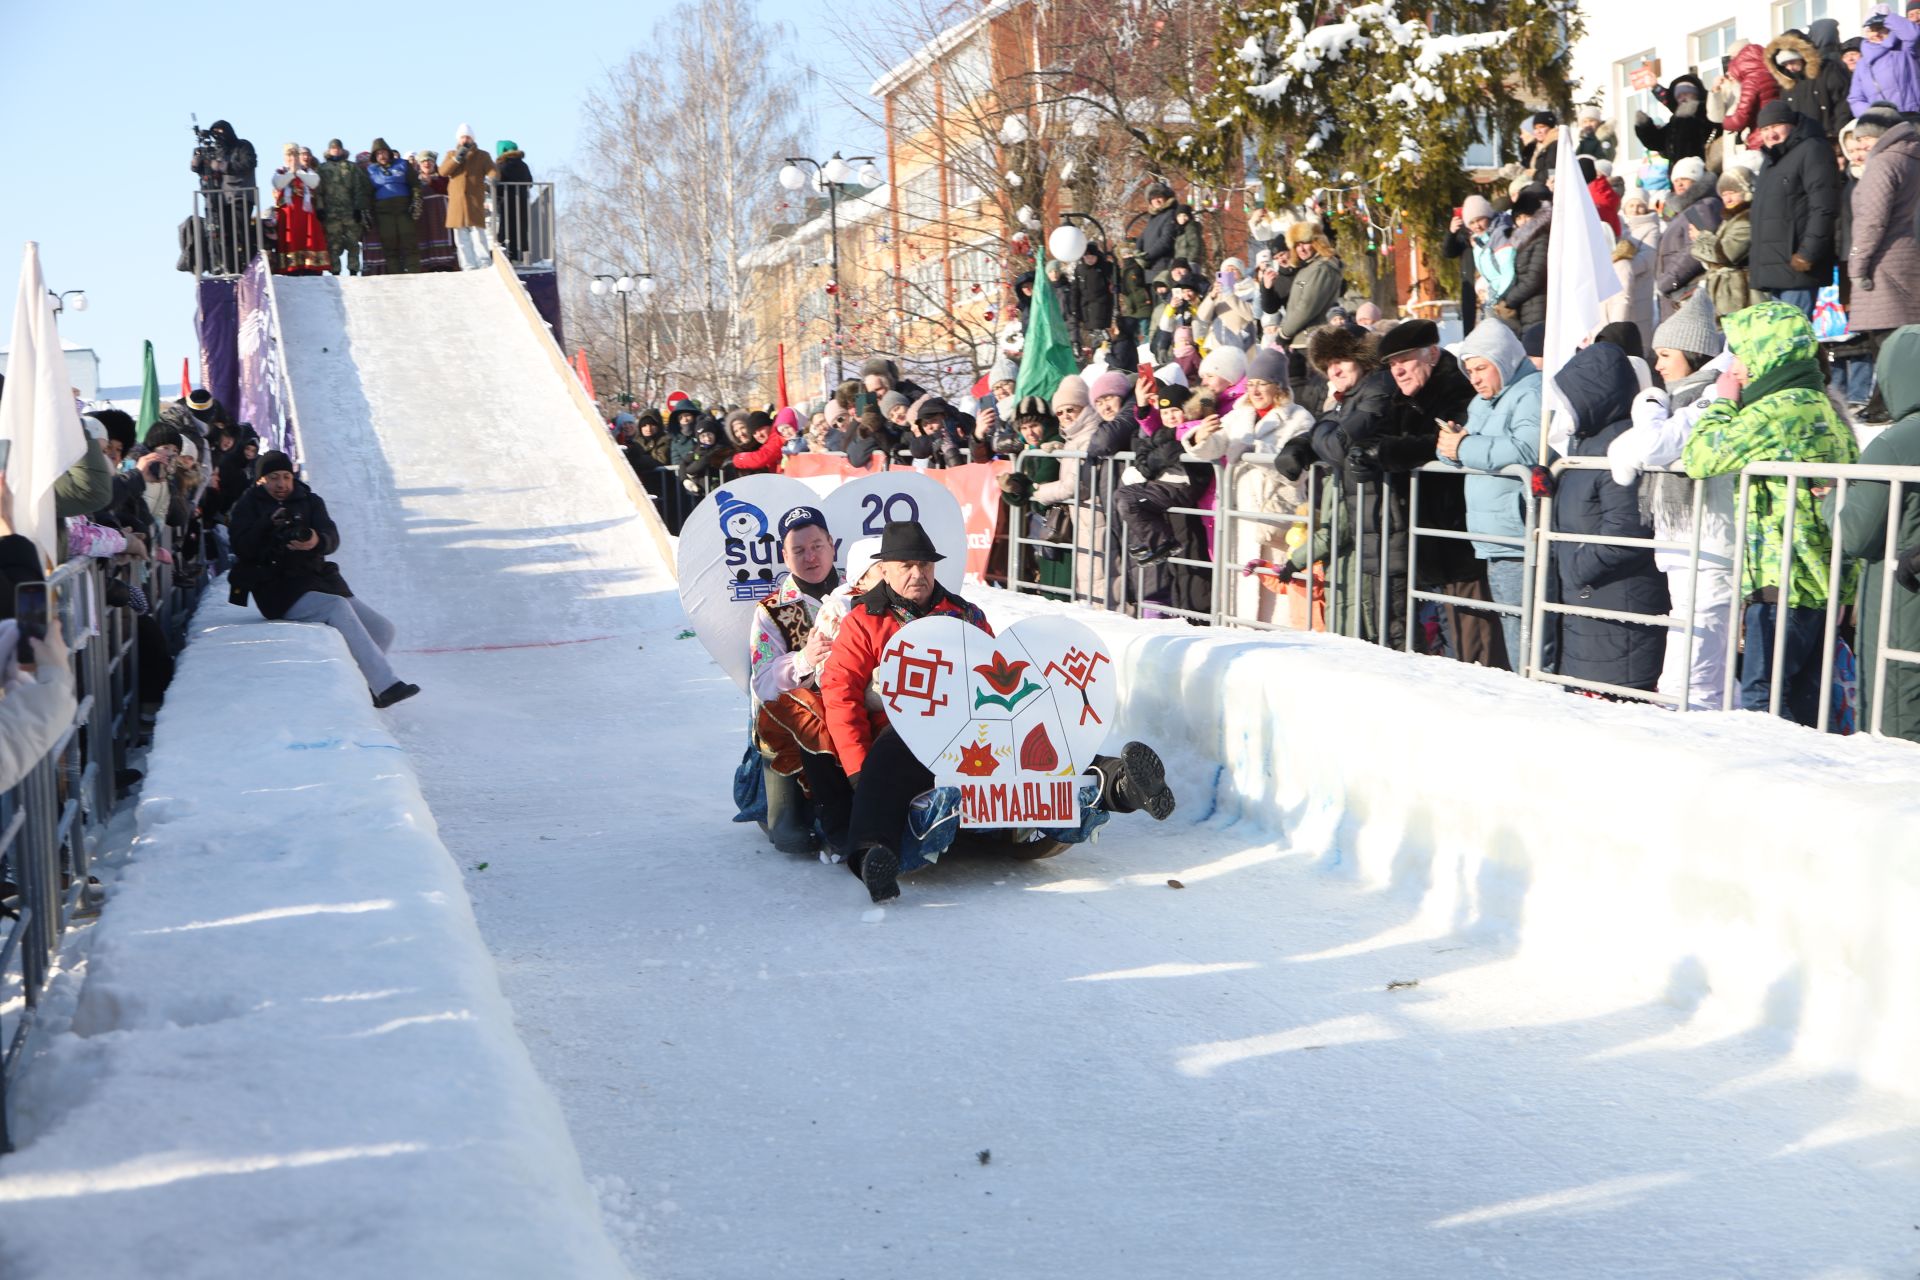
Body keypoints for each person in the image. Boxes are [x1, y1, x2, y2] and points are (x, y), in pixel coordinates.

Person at [819, 521, 1174, 903]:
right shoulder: (864, 621)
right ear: (884, 569)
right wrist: (857, 768)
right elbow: (840, 694)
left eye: (925, 565)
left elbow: (992, 671)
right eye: (906, 565)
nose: (917, 574)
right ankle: (874, 854)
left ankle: (1120, 782)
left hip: (976, 725)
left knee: (1045, 742)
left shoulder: (965, 614)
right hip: (905, 732)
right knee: (884, 765)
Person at [1683, 301, 1859, 726]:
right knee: (1804, 701)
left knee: (1764, 702)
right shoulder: (1820, 405)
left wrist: (1722, 404)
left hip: (1784, 579)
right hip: (1820, 581)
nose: (1735, 367)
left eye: (1742, 353)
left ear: (1770, 351)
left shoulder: (1780, 409)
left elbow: (1700, 457)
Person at [1608, 289, 1738, 710]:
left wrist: (1648, 406)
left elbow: (1652, 445)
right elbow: (1632, 454)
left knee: (1696, 659)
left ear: (1694, 353)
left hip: (1710, 545)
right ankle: (1698, 720)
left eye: (1665, 354)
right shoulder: (1684, 397)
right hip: (1683, 544)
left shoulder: (1716, 391)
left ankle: (1687, 728)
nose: (1658, 365)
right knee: (1696, 650)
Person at [228, 451, 417, 708]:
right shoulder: (248, 505)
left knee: (383, 629)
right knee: (336, 607)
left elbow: (332, 537)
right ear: (261, 480)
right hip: (277, 589)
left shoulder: (309, 501)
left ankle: (364, 686)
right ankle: (385, 686)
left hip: (318, 579)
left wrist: (315, 541)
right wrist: (266, 525)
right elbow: (241, 547)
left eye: (285, 476)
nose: (281, 484)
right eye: (273, 478)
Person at [1550, 343, 1671, 695]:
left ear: (1594, 395)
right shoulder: (1586, 445)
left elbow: (1629, 530)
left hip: (1618, 610)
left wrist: (1575, 569)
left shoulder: (1620, 445)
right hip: (1591, 611)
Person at [1831, 325, 1920, 741]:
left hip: (1901, 605)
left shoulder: (1894, 444)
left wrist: (1832, 500)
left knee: (1895, 733)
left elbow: (1856, 536)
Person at [1438, 319, 1542, 668]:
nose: (1475, 378)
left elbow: (1528, 449)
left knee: (1524, 631)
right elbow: (1466, 448)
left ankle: (1535, 702)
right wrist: (1449, 445)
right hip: (1493, 537)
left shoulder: (1531, 391)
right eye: (1470, 371)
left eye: (1481, 368)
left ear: (1504, 360)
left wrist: (1463, 447)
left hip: (1516, 536)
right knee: (1512, 626)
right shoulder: (1484, 400)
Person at [747, 506, 847, 853]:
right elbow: (761, 682)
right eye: (799, 550)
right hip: (808, 709)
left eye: (817, 546)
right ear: (784, 556)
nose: (811, 556)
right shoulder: (771, 612)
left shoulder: (859, 593)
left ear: (832, 546)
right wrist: (803, 660)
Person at [1845, 107, 1920, 423]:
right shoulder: (1911, 159)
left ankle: (1891, 403)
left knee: (1885, 342)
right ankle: (1883, 402)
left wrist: (1858, 265)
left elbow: (1872, 221)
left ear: (1881, 136)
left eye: (1864, 140)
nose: (1860, 148)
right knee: (1902, 337)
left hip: (1883, 262)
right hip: (1909, 257)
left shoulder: (1883, 164)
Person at [1746, 102, 1840, 319]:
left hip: (1797, 268)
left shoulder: (1812, 149)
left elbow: (1824, 205)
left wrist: (1808, 253)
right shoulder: (1772, 161)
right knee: (1784, 343)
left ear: (1791, 125)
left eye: (1776, 126)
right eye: (1765, 129)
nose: (1771, 134)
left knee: (1792, 340)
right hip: (1775, 270)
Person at [1654, 157, 1723, 323]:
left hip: (1687, 289)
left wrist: (1668, 281)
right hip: (1680, 290)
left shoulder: (1700, 208)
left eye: (1685, 179)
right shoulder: (1686, 209)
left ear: (1697, 180)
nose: (1679, 184)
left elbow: (1699, 246)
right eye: (1676, 180)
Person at [189, 119, 260, 274]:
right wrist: (199, 158)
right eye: (216, 132)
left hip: (240, 195)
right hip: (220, 200)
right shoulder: (216, 150)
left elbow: (249, 163)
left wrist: (223, 166)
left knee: (240, 233)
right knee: (223, 235)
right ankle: (228, 268)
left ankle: (248, 266)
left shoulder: (242, 145)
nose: (219, 136)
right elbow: (196, 168)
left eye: (221, 131)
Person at [1690, 165, 1755, 318]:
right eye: (1724, 194)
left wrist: (1701, 237)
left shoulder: (1747, 218)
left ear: (1746, 192)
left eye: (1732, 193)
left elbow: (1727, 254)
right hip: (1727, 294)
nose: (1727, 199)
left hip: (1738, 295)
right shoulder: (1731, 219)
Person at [1767, 26, 1851, 141]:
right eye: (1785, 64)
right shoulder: (1788, 85)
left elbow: (1843, 105)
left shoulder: (1828, 70)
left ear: (1804, 57)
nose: (1789, 67)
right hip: (1801, 141)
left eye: (1792, 62)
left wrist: (1839, 135)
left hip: (1830, 137)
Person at [1492, 188, 1552, 334]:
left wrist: (1509, 300)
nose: (1522, 221)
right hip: (1528, 308)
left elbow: (1535, 278)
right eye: (1518, 218)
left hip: (1539, 307)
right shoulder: (1521, 242)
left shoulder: (1542, 239)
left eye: (1526, 216)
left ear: (1536, 215)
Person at [1276, 222, 1345, 346]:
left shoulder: (1322, 268)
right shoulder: (1308, 269)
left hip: (1312, 341)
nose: (1301, 249)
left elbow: (1307, 305)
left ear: (1317, 242)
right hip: (1300, 339)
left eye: (1305, 243)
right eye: (1296, 245)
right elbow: (1295, 305)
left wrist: (1285, 333)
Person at [314, 140, 373, 277]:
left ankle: (353, 269)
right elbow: (319, 191)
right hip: (331, 212)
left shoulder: (351, 167)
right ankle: (335, 271)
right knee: (333, 243)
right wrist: (320, 208)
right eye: (333, 148)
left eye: (338, 148)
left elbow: (359, 188)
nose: (335, 150)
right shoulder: (322, 168)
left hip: (350, 211)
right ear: (329, 150)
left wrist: (358, 208)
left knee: (352, 242)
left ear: (342, 150)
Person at [1635, 75, 1720, 165]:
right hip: (1678, 174)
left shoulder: (1707, 112)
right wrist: (1645, 127)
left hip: (1705, 169)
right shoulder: (1675, 122)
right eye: (1678, 96)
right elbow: (1657, 142)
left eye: (1686, 93)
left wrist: (1716, 94)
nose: (1682, 98)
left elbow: (1718, 124)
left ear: (1696, 94)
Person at [442, 124, 495, 270]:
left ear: (472, 139)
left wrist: (493, 178)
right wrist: (457, 159)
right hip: (457, 203)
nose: (465, 140)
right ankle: (468, 265)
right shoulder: (451, 154)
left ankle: (484, 262)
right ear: (458, 139)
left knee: (478, 234)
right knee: (461, 237)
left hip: (474, 200)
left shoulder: (482, 155)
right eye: (463, 137)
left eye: (468, 137)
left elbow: (492, 170)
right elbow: (443, 171)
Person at [366, 139, 421, 275]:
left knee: (409, 240)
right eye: (378, 154)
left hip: (404, 209)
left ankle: (414, 271)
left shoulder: (402, 164)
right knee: (389, 243)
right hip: (383, 212)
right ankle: (395, 274)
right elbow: (367, 192)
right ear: (375, 156)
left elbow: (415, 183)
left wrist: (417, 200)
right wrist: (366, 210)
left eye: (384, 152)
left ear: (389, 153)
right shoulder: (371, 170)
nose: (382, 156)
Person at [1852, 8, 1920, 115]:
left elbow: (1913, 35)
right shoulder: (1862, 63)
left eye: (1880, 28)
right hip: (1884, 125)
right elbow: (1855, 99)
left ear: (1890, 28)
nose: (1876, 34)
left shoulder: (1905, 49)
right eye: (1871, 30)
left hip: (1914, 118)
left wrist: (1888, 17)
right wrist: (1874, 115)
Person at [1722, 39, 1783, 139]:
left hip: (1762, 134)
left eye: (1733, 58)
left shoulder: (1751, 81)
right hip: (1778, 128)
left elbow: (1740, 119)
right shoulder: (1772, 71)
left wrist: (1725, 122)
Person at [413, 150, 458, 272]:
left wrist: (432, 182)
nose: (427, 163)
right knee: (424, 237)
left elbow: (447, 189)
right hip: (423, 215)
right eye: (423, 161)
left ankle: (447, 264)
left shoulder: (442, 176)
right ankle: (427, 265)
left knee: (443, 236)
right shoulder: (415, 179)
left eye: (429, 161)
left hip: (441, 212)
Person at [493, 140, 533, 264]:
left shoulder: (501, 165)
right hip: (522, 201)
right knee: (520, 229)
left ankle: (506, 255)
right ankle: (518, 256)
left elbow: (497, 186)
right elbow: (530, 182)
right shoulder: (524, 165)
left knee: (506, 228)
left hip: (506, 202)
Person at [1135, 183, 1181, 282]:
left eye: (1159, 196)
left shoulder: (1170, 214)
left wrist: (1147, 256)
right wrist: (1137, 250)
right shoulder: (1152, 218)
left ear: (1166, 197)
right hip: (1150, 270)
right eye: (1153, 198)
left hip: (1163, 269)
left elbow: (1166, 241)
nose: (1157, 200)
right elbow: (1142, 238)